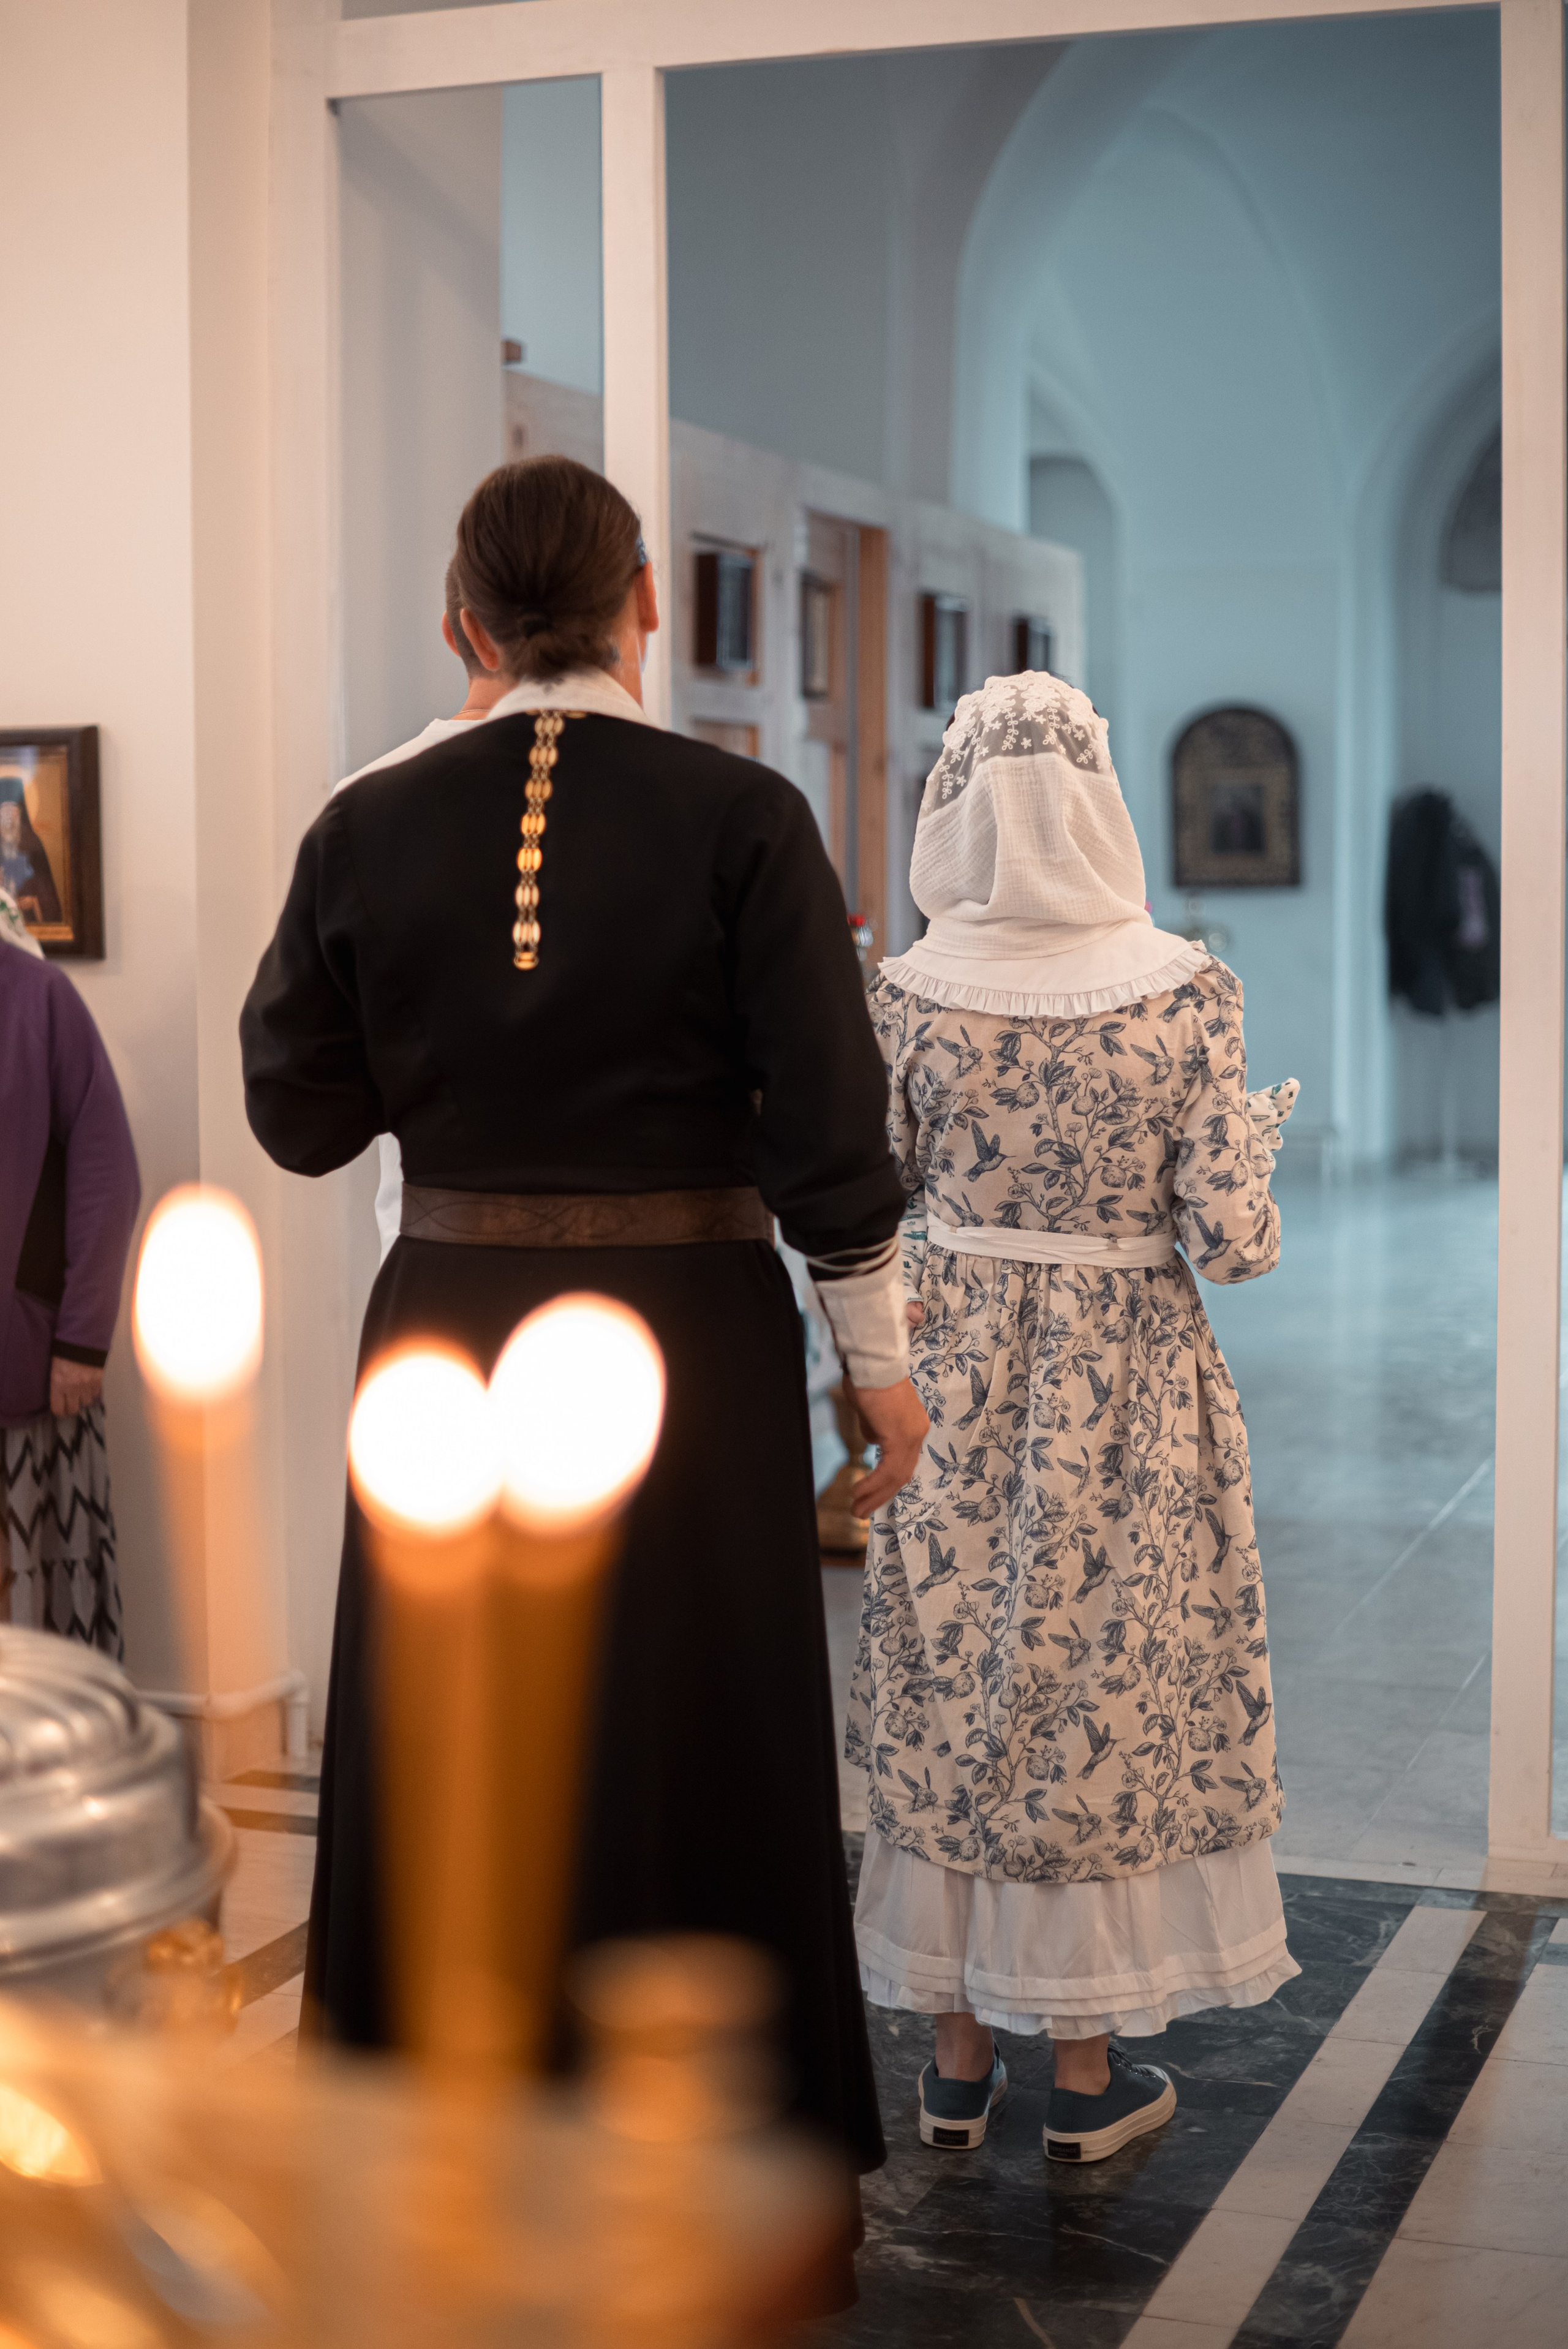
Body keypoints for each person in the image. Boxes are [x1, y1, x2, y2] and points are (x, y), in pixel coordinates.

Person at [240, 456, 928, 2203]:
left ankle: (437, 2121)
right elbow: (830, 1131)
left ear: (461, 619)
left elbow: (298, 1111)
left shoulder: (364, 822)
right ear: (640, 609)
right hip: (683, 1337)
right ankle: (709, 2141)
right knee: (701, 1712)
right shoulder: (743, 815)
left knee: (453, 1715)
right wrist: (882, 1362)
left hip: (450, 1333)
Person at [848, 669, 1299, 2166]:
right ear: (1092, 797)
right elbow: (1228, 1241)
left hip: (949, 1365)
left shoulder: (907, 990)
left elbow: (868, 1196)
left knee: (959, 1671)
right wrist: (1245, 1144)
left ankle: (955, 2061)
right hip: (1124, 1378)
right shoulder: (1181, 986)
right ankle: (1087, 2071)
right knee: (1097, 1678)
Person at [333, 561, 510, 1262]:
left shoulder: (362, 803)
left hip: (424, 1234)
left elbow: (323, 1076)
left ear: (455, 633)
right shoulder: (629, 793)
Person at [0, 918, 140, 1654]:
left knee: (40, 1638)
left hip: (32, 1383)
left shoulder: (40, 1000)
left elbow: (107, 1173)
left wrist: (83, 1338)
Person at [0, 781, 62, 927]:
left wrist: (34, 901)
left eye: (12, 809)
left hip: (28, 921)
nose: (8, 817)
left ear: (20, 813)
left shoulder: (33, 845)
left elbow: (48, 896)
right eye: (3, 811)